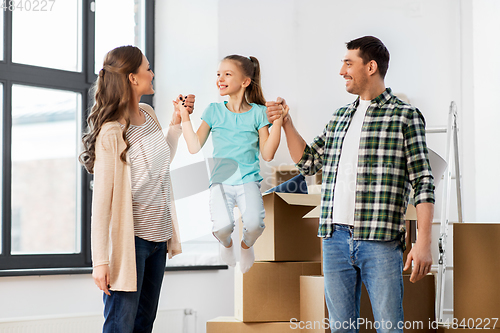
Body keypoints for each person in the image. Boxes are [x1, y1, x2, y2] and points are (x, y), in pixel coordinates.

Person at [266, 36, 435, 332]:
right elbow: (308, 161)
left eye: (348, 63)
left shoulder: (404, 116)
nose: (341, 70)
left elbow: (423, 181)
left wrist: (423, 242)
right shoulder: (340, 117)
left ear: (371, 67)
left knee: (389, 327)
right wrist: (288, 122)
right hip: (334, 239)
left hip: (380, 239)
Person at [79, 45, 195, 333]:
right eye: (147, 68)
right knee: (121, 325)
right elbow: (102, 203)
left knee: (144, 324)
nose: (152, 73)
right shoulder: (112, 131)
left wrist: (176, 122)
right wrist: (100, 262)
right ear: (132, 78)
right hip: (130, 242)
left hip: (158, 237)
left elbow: (162, 160)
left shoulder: (148, 113)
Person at [176, 55, 283, 273]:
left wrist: (278, 121)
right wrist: (184, 116)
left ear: (245, 81)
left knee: (254, 225)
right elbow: (194, 146)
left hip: (248, 180)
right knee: (223, 227)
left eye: (227, 74)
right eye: (218, 74)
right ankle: (226, 243)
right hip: (221, 181)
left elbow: (268, 154)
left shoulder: (258, 113)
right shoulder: (213, 111)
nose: (220, 79)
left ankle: (245, 246)